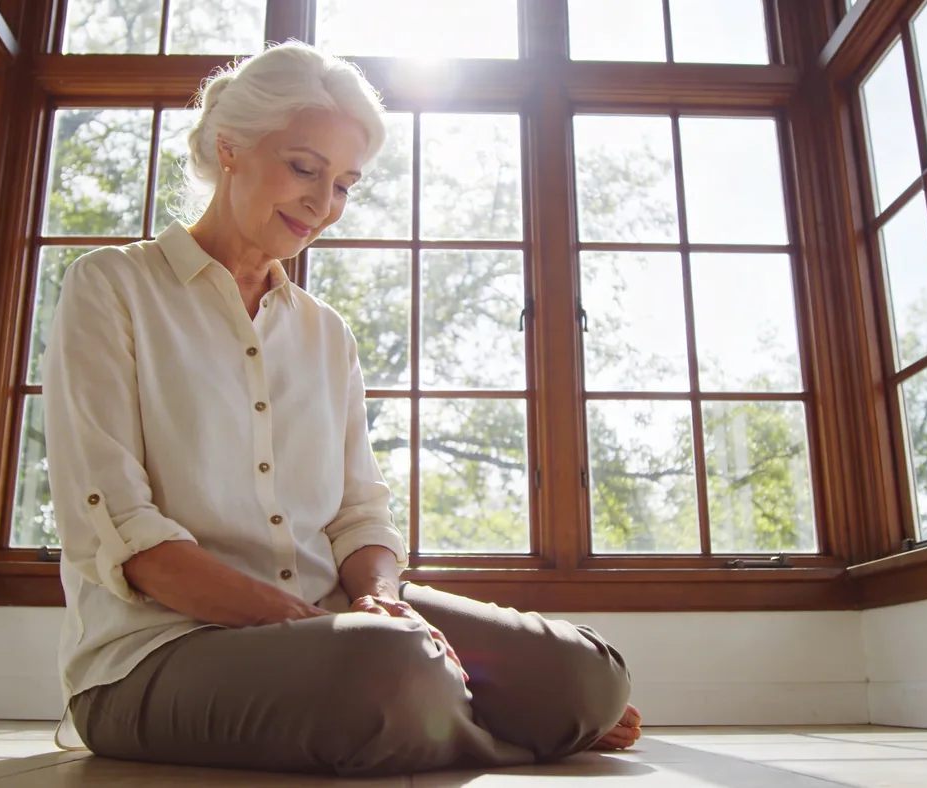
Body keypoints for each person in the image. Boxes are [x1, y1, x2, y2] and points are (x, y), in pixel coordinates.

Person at [42, 40, 641, 777]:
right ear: (230, 147)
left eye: (344, 185)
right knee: (387, 669)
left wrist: (384, 601)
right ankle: (504, 735)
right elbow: (126, 533)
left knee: (588, 677)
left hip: (337, 628)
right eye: (304, 168)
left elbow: (358, 515)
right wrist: (319, 626)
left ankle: (445, 710)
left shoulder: (326, 334)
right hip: (155, 654)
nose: (323, 204)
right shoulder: (110, 287)